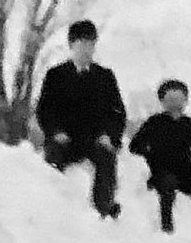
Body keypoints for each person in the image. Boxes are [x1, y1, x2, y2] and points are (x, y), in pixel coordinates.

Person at [36, 19, 127, 218]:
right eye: (81, 43)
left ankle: (103, 208)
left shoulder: (105, 76)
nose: (87, 49)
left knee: (106, 159)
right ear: (71, 45)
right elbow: (45, 110)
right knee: (52, 159)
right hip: (64, 138)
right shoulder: (56, 75)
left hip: (93, 138)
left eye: (91, 44)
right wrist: (55, 132)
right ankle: (51, 208)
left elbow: (117, 112)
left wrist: (110, 136)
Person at [128, 79, 191, 233]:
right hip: (161, 172)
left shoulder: (190, 124)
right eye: (170, 99)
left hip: (186, 171)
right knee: (167, 188)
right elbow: (134, 145)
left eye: (179, 99)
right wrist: (150, 155)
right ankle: (166, 228)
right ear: (162, 101)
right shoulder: (154, 122)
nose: (174, 103)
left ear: (185, 100)